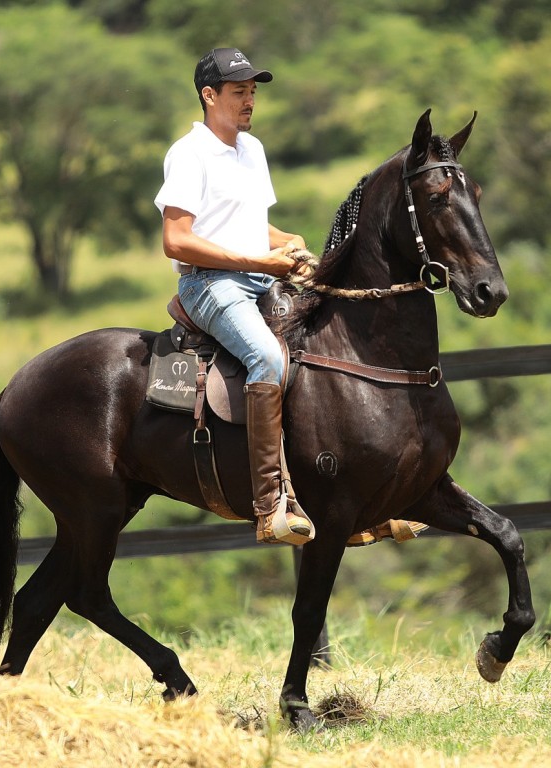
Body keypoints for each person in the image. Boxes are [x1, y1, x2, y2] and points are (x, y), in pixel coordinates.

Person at [154, 47, 313, 545]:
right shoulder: (189, 153)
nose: (250, 101)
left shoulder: (252, 149)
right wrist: (260, 263)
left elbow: (251, 227)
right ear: (209, 95)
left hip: (257, 277)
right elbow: (175, 240)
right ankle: (270, 504)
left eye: (253, 92)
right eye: (239, 92)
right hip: (208, 284)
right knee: (266, 356)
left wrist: (289, 242)